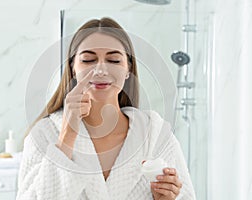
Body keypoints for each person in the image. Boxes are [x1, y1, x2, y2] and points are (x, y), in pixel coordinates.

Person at [16, 17, 196, 200]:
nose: (100, 70)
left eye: (114, 60)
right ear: (72, 69)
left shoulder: (155, 134)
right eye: (88, 60)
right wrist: (67, 136)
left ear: (128, 70)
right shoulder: (44, 134)